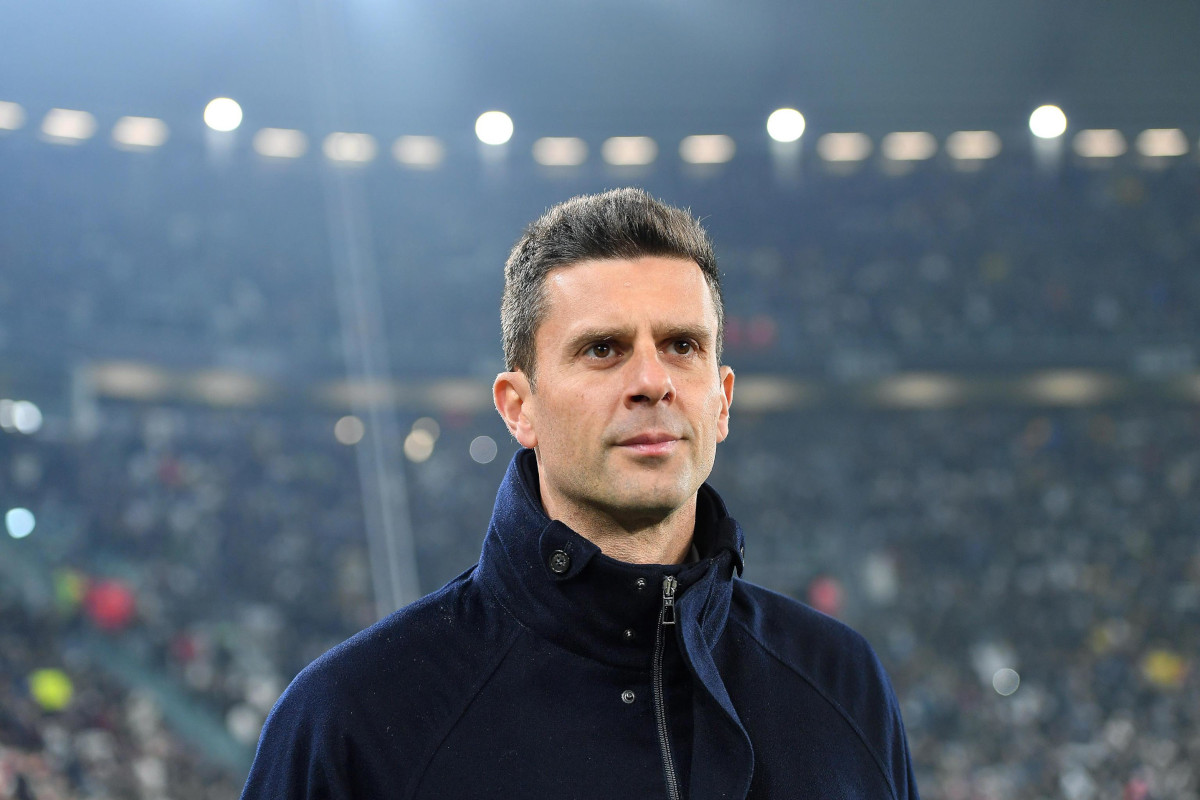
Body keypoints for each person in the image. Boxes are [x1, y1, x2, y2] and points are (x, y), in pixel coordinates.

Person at [242, 188, 920, 799]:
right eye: (603, 349)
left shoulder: (843, 685)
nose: (652, 381)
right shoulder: (352, 721)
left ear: (722, 400)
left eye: (683, 345)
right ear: (518, 407)